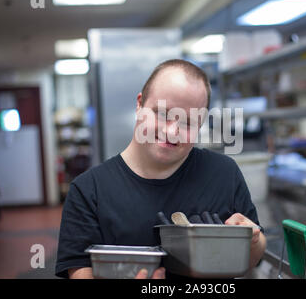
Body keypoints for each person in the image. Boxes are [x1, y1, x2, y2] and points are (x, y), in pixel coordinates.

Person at [55, 59, 266, 279]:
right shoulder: (89, 191)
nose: (172, 131)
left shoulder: (224, 174)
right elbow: (80, 271)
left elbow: (252, 259)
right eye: (163, 114)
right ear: (140, 105)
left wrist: (253, 240)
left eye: (187, 122)